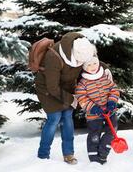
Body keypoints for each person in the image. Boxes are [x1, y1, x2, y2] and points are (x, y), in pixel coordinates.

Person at [35, 32, 112, 165]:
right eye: (81, 61)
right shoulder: (54, 56)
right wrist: (71, 99)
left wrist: (104, 69)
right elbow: (52, 87)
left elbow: (92, 61)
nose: (83, 63)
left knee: (67, 118)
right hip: (48, 90)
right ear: (73, 55)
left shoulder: (82, 47)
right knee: (54, 119)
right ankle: (43, 154)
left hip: (67, 87)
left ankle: (68, 154)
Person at [75, 55, 120, 165]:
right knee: (94, 135)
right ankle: (94, 159)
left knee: (112, 130)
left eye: (95, 63)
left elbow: (114, 89)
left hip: (110, 111)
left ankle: (103, 152)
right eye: (89, 65)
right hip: (94, 115)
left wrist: (112, 102)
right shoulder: (82, 83)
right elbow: (81, 98)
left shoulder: (104, 78)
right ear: (84, 67)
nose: (93, 66)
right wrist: (93, 108)